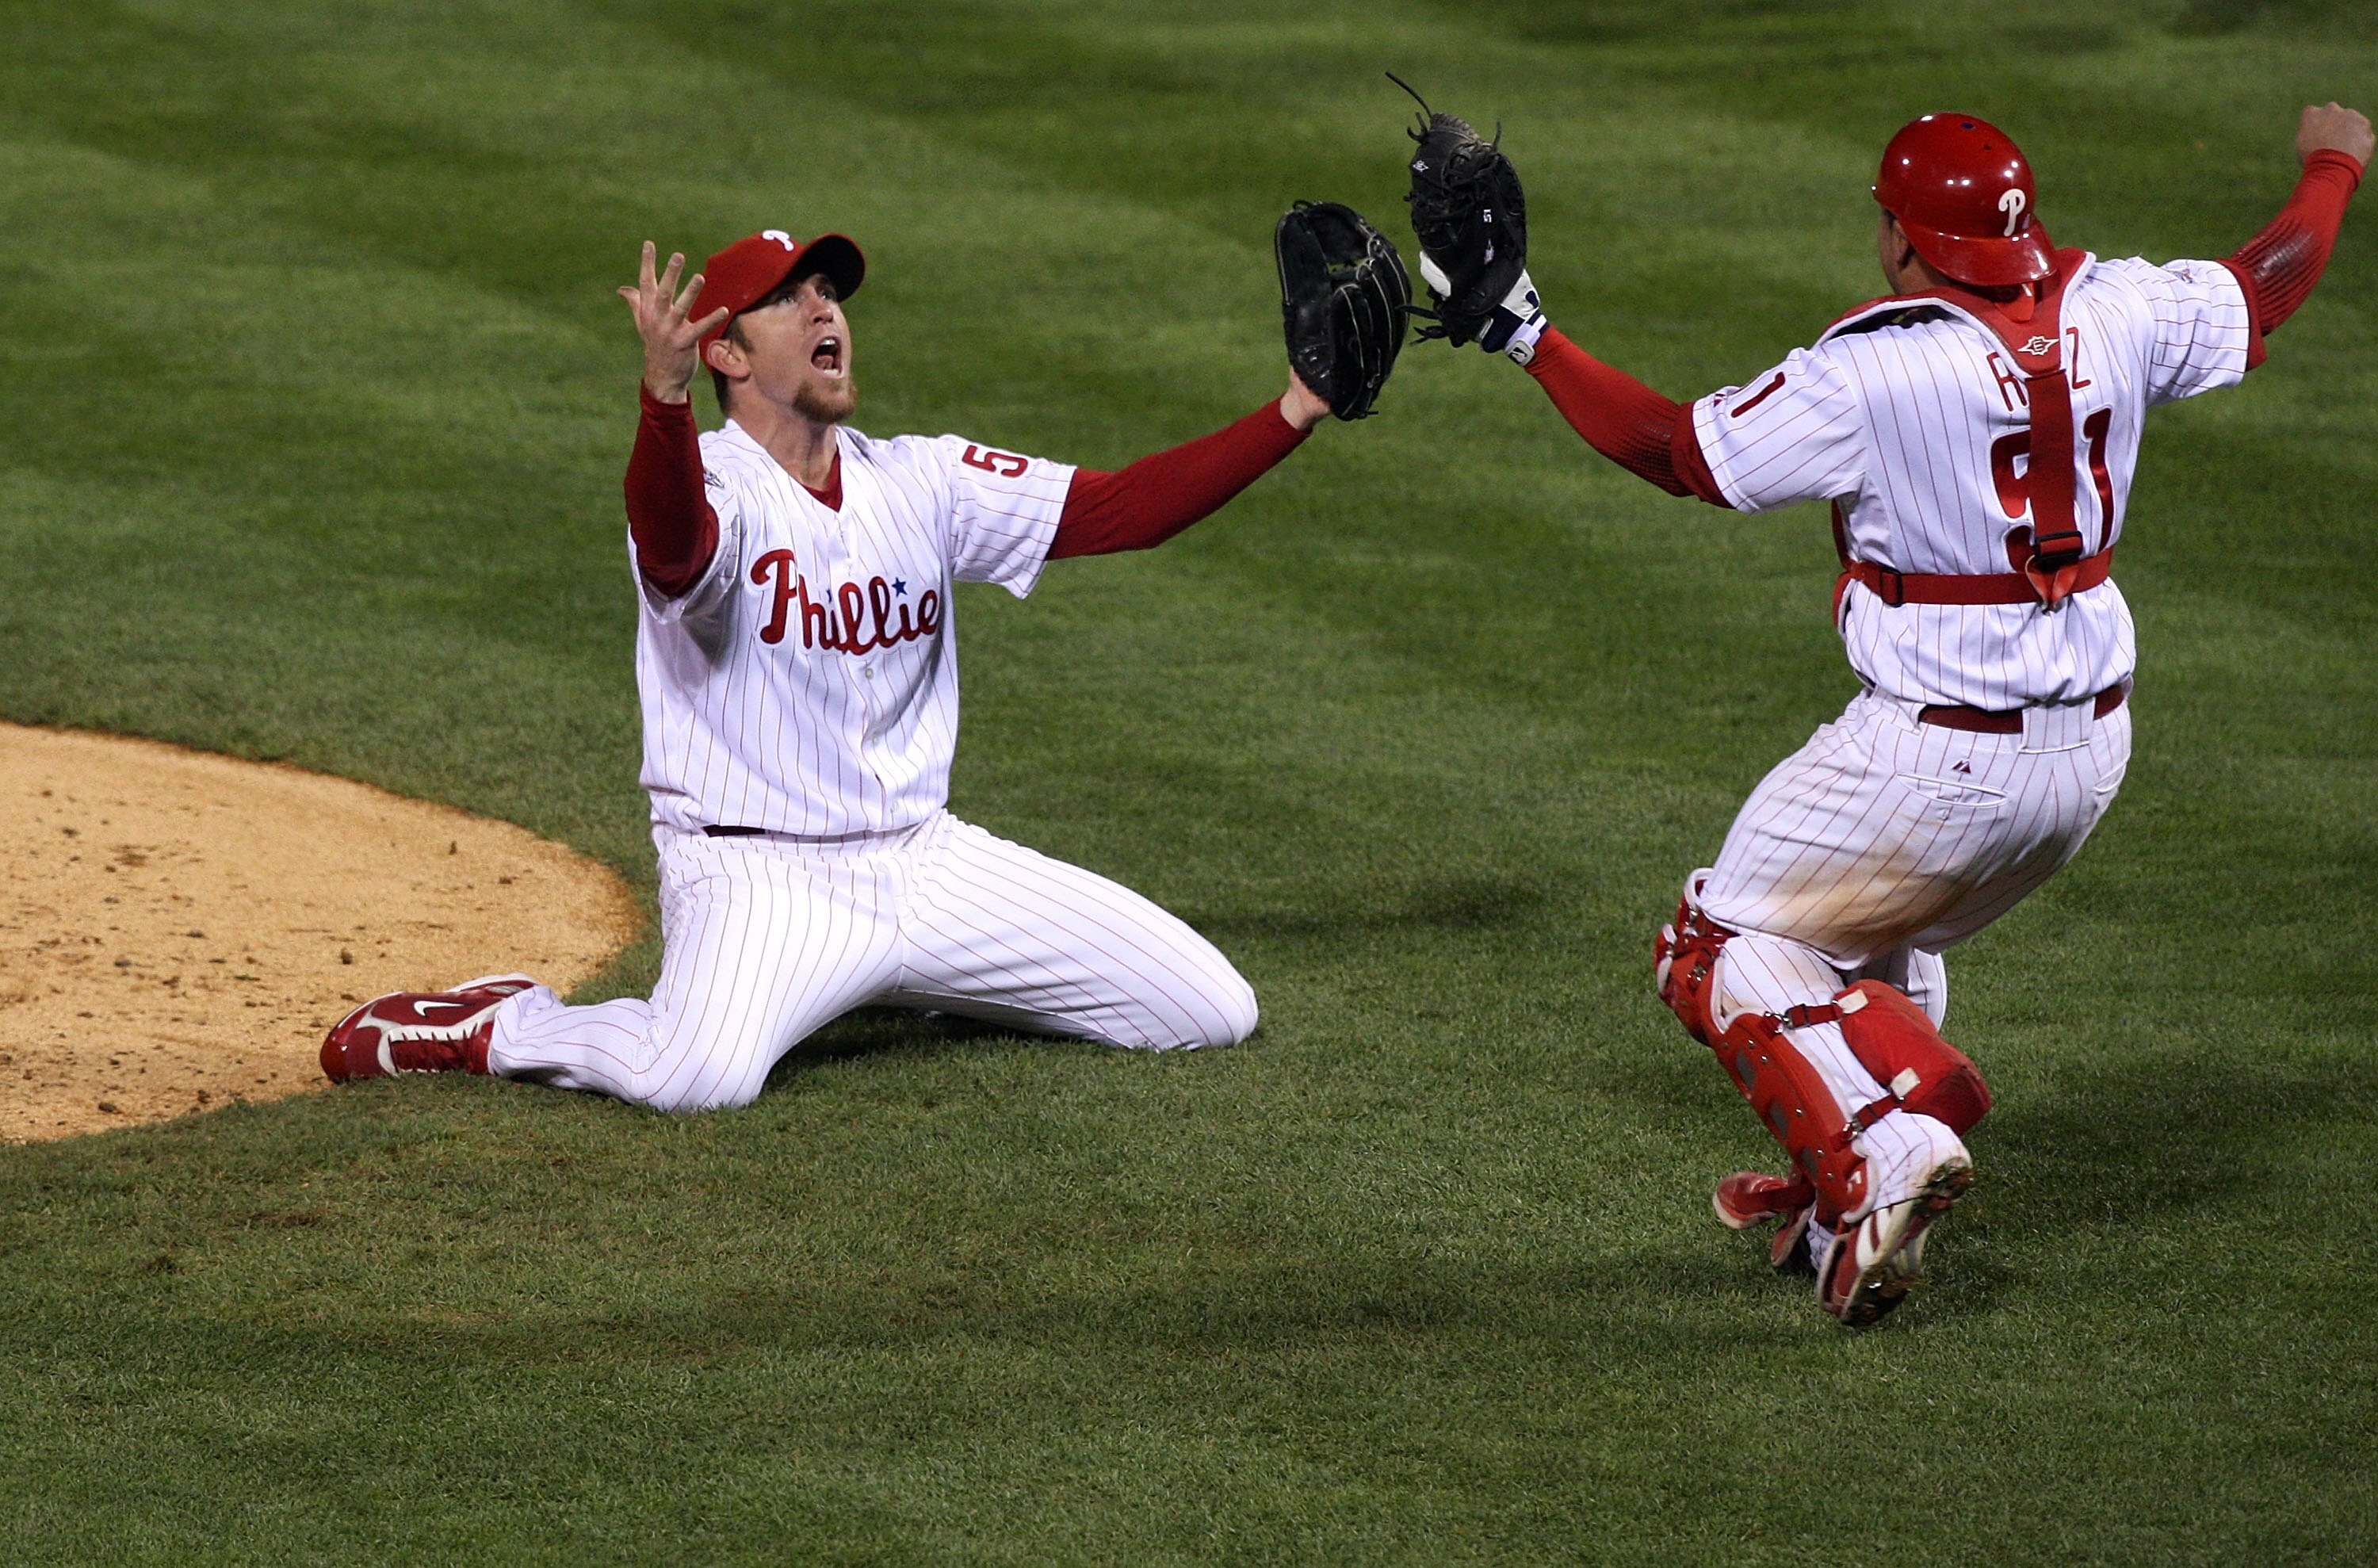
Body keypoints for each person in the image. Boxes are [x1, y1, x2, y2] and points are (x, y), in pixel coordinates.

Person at [1454, 105, 2367, 1323]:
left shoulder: (1872, 368)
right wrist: (2333, 164)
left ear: (1901, 238)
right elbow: (2269, 283)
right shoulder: (2122, 306)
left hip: (1937, 757)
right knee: (1871, 940)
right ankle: (1847, 1196)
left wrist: (1526, 333)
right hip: (2091, 755)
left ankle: (1880, 1147)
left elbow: (1678, 452)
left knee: (1711, 945)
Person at [320, 225, 1347, 1111]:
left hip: (929, 860)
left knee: (1208, 1008)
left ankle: (917, 976)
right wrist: (663, 403)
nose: (827, 309)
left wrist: (1295, 406)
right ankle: (502, 1023)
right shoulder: (708, 483)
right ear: (725, 348)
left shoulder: (923, 477)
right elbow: (674, 547)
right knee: (697, 1075)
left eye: (831, 292)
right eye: (790, 295)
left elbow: (1121, 510)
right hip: (758, 874)